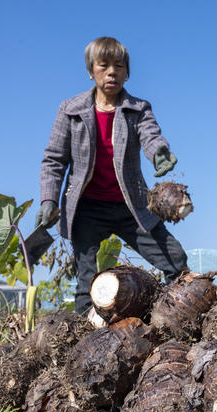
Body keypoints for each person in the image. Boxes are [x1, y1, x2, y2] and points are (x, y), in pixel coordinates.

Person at [36, 37, 188, 314]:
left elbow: (150, 134)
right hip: (87, 209)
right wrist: (49, 200)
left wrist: (159, 152)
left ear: (127, 72)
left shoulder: (138, 108)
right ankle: (84, 342)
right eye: (103, 65)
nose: (111, 72)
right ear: (91, 70)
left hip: (131, 207)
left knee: (176, 261)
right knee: (86, 283)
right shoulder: (70, 111)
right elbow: (54, 160)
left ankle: (178, 319)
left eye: (118, 66)